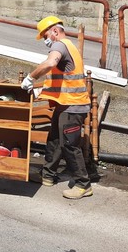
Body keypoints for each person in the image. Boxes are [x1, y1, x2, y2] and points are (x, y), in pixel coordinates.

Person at [21, 16, 93, 200]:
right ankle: (48, 175)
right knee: (54, 139)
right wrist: (41, 93)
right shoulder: (69, 46)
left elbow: (50, 63)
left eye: (46, 35)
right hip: (66, 104)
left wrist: (30, 78)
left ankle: (83, 184)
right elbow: (59, 79)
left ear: (55, 31)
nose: (46, 40)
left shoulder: (60, 45)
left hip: (73, 105)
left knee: (69, 145)